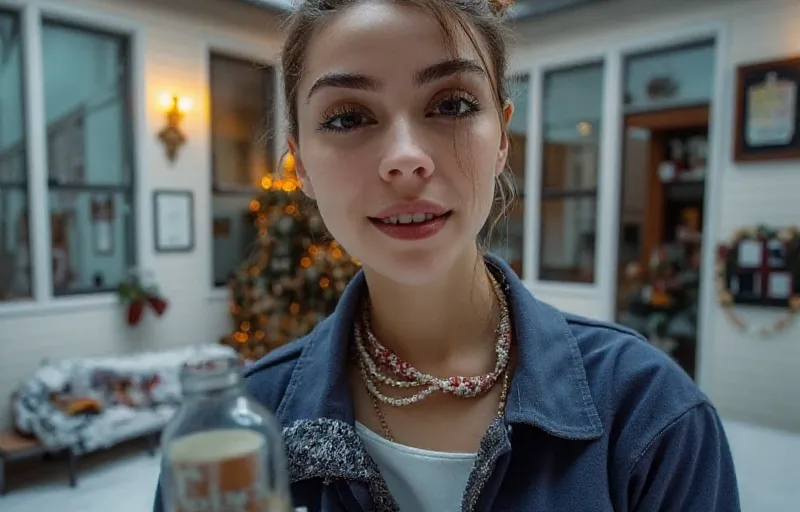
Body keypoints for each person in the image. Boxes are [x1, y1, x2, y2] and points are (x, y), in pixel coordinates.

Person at [154, 0, 740, 510]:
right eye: (347, 117)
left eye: (452, 105)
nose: (405, 158)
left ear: (502, 138)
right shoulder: (239, 432)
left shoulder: (649, 415)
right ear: (300, 162)